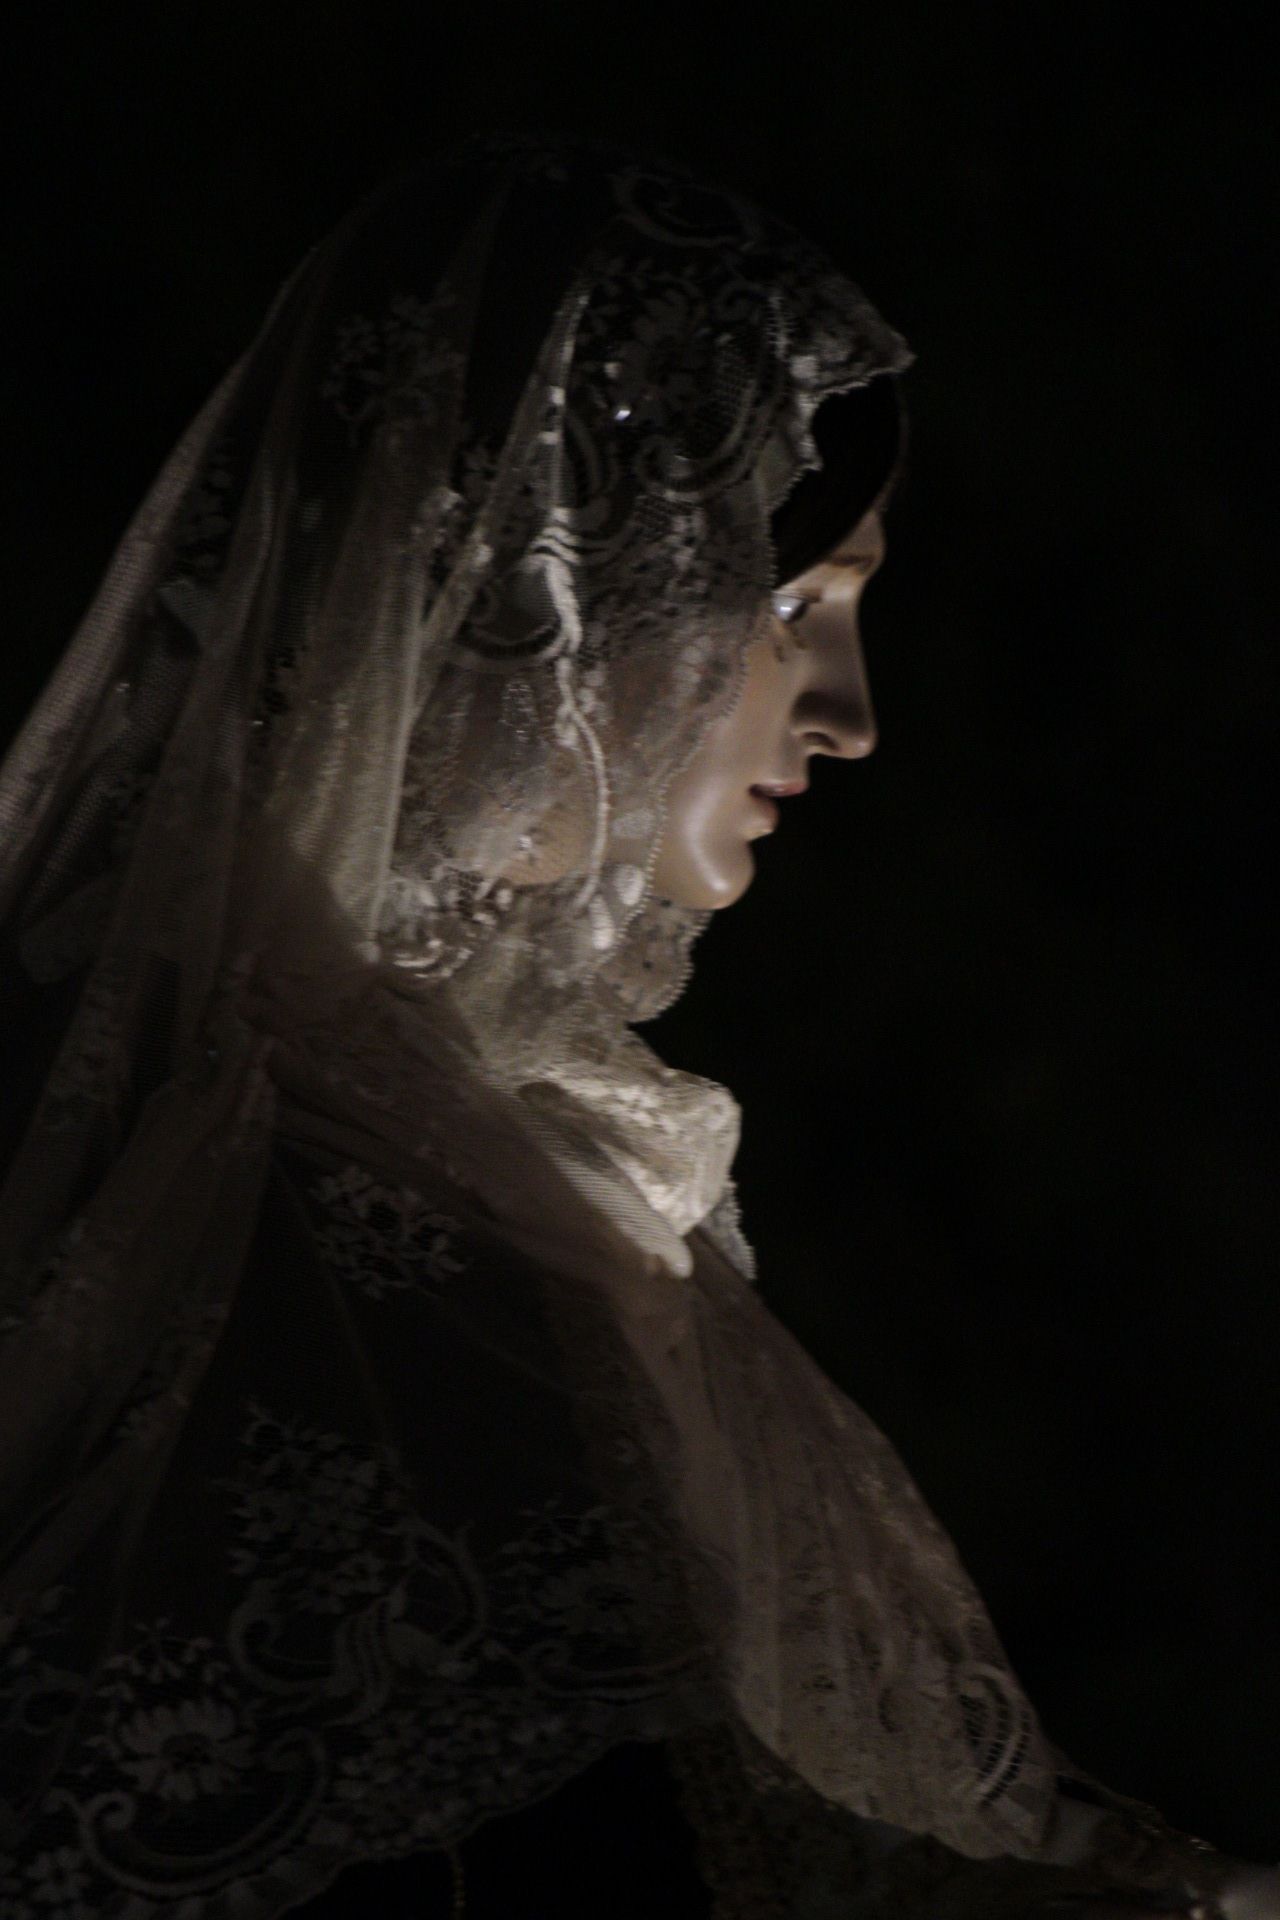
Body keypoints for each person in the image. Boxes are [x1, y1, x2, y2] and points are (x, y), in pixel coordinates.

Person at [0, 126, 1274, 1919]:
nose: (845, 715)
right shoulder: (345, 1205)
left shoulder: (397, 1121)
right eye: (794, 605)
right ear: (552, 582)